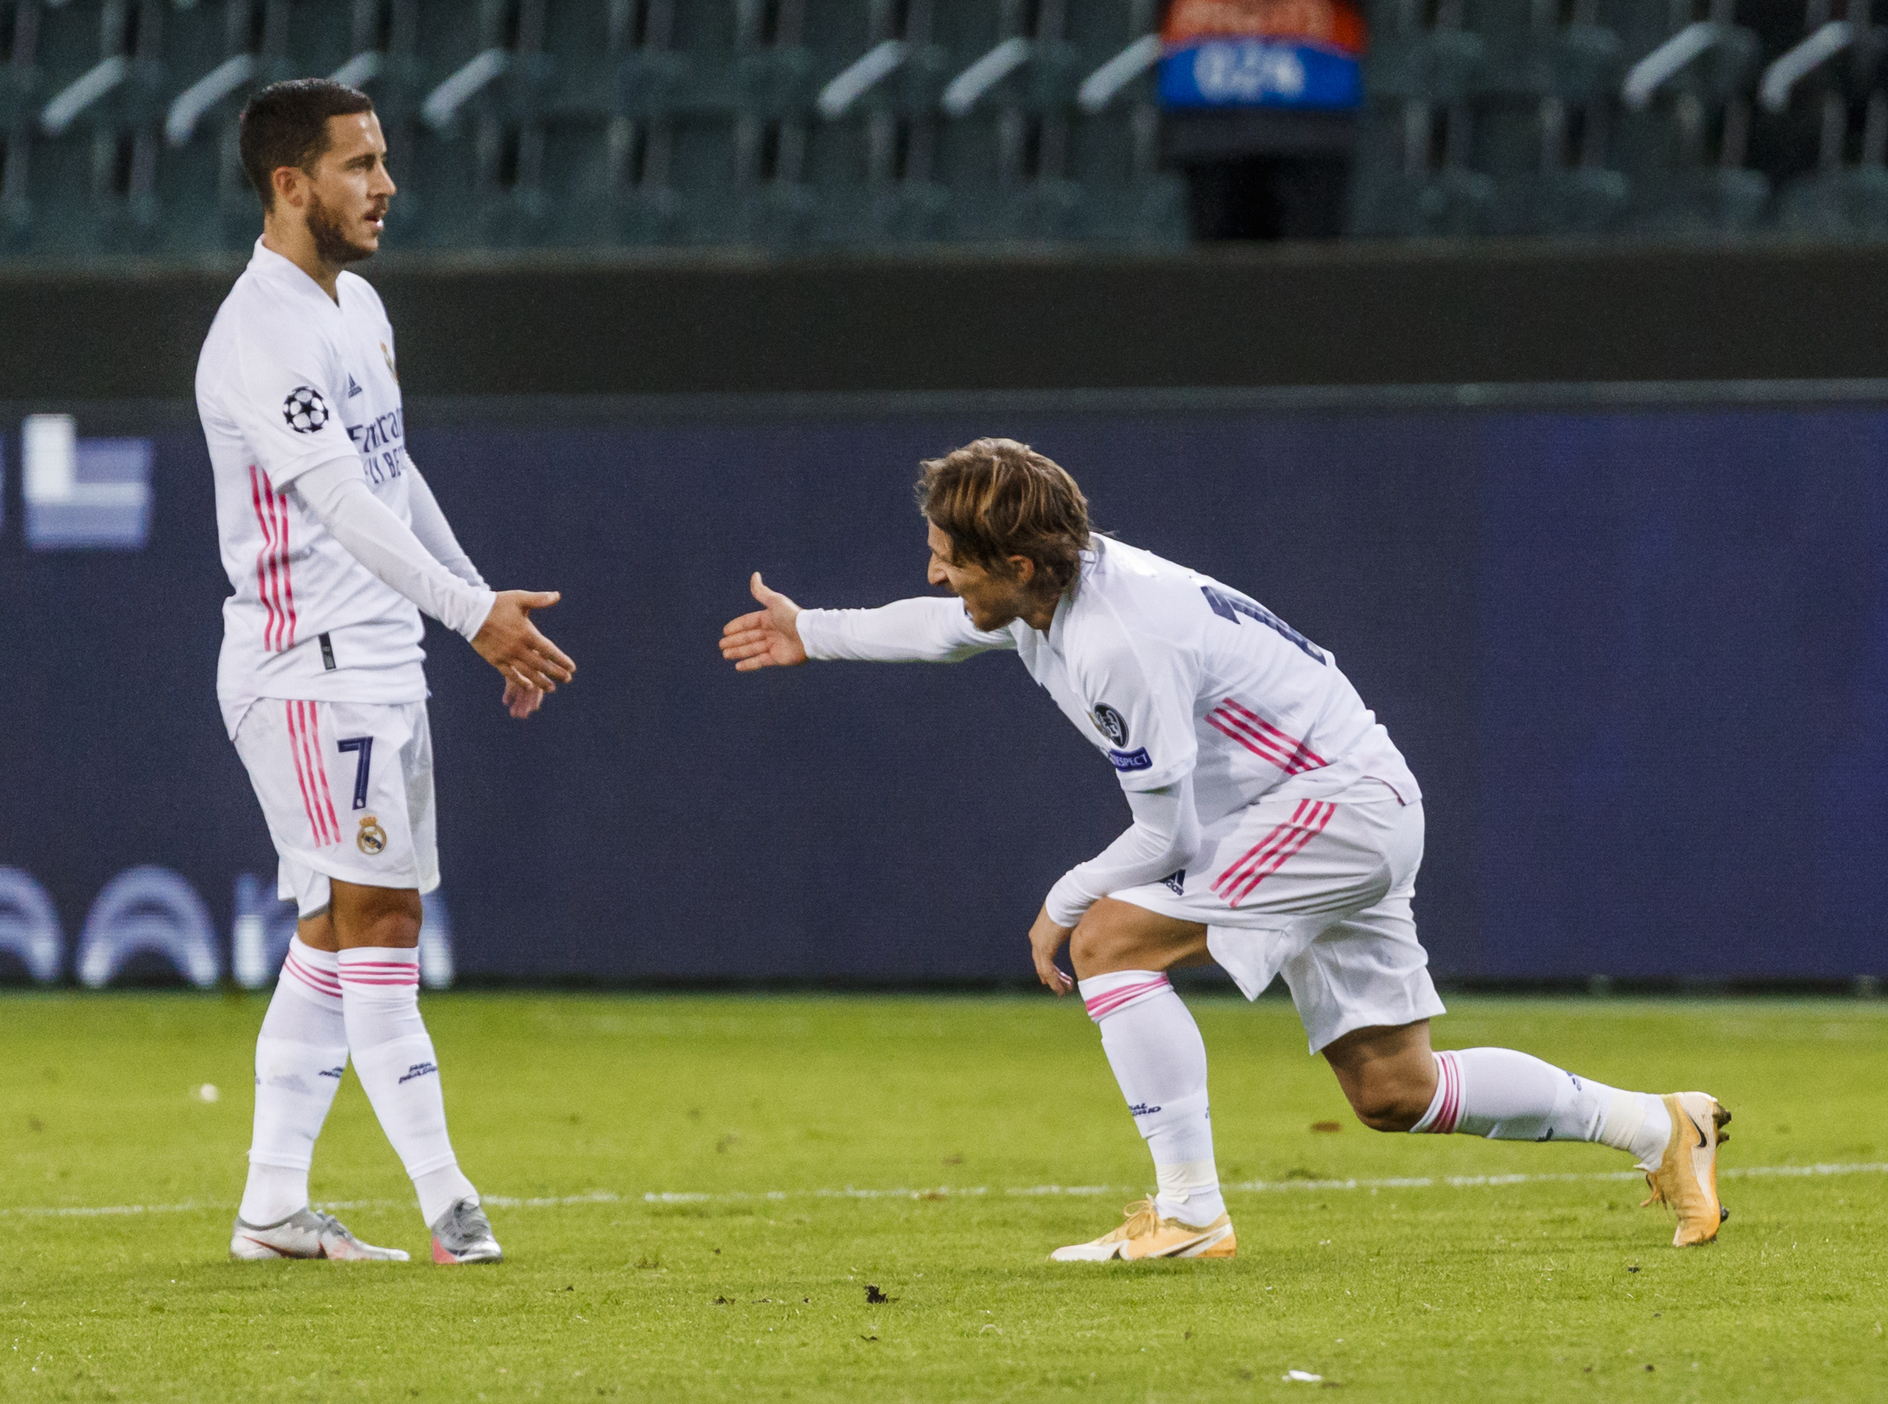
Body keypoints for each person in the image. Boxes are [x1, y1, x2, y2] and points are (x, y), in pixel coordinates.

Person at [719, 437, 1729, 1261]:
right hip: (1347, 803)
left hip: (1326, 806)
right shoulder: (1054, 592)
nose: (934, 569)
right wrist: (816, 629)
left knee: (1107, 938)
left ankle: (1190, 1212)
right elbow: (943, 628)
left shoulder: (1118, 641)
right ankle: (1657, 1126)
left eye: (949, 553)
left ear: (1017, 564)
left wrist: (1063, 899)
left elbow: (1168, 835)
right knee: (1393, 1091)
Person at [197, 80, 575, 1265]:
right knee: (381, 915)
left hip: (378, 658)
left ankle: (269, 1210)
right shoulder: (261, 332)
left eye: (383, 159)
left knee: (332, 927)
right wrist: (470, 620)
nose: (386, 184)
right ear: (289, 184)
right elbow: (336, 501)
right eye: (359, 163)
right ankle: (449, 1204)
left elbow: (393, 475)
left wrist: (478, 597)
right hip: (307, 669)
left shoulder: (355, 306)